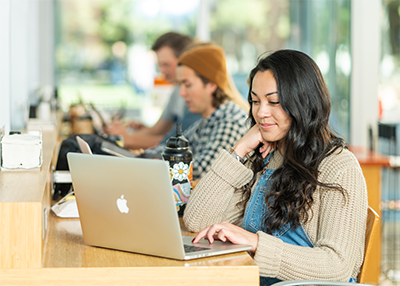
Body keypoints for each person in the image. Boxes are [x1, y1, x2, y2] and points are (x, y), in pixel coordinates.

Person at [183, 50, 368, 285]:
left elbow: (338, 267)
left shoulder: (339, 165)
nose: (261, 113)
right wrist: (238, 150)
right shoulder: (263, 156)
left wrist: (256, 243)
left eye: (274, 102)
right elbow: (197, 221)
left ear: (302, 103)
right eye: (255, 101)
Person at [165, 44, 249, 180]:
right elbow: (171, 149)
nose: (182, 93)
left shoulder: (230, 121)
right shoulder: (206, 122)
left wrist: (160, 164)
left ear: (211, 85)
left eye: (187, 84)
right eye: (180, 85)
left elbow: (204, 171)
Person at [105, 32, 201, 149]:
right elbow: (158, 130)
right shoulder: (177, 90)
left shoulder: (196, 95)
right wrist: (131, 133)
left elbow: (181, 143)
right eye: (160, 66)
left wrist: (127, 138)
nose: (162, 72)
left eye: (166, 65)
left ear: (184, 60)